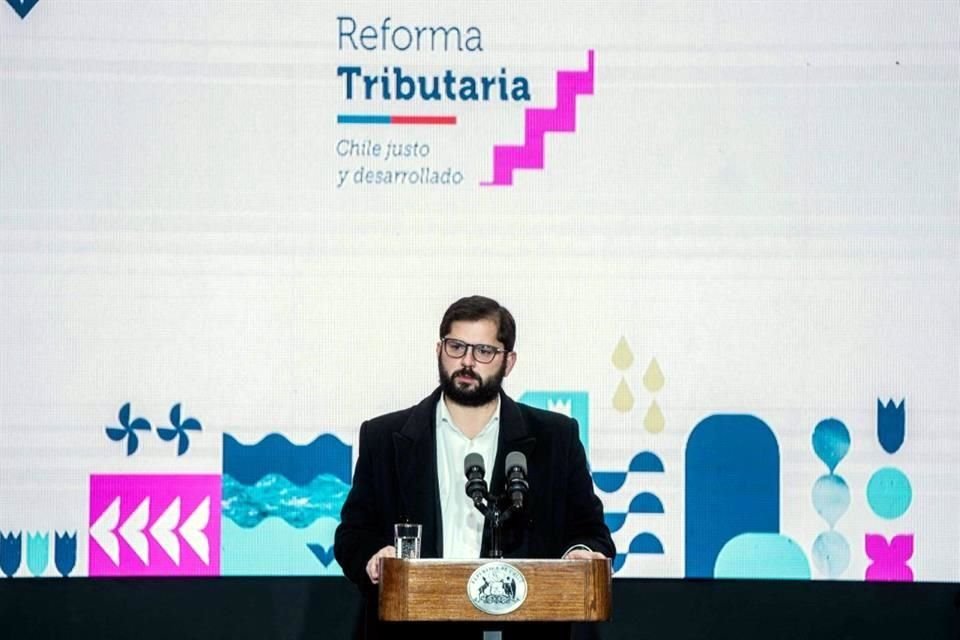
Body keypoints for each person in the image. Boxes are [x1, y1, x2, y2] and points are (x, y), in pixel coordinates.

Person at [334, 295, 615, 639]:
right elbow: (352, 535)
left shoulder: (555, 438)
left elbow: (590, 532)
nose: (467, 362)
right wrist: (374, 557)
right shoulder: (384, 438)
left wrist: (580, 556)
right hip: (413, 632)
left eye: (483, 351)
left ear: (508, 361)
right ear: (439, 349)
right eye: (456, 347)